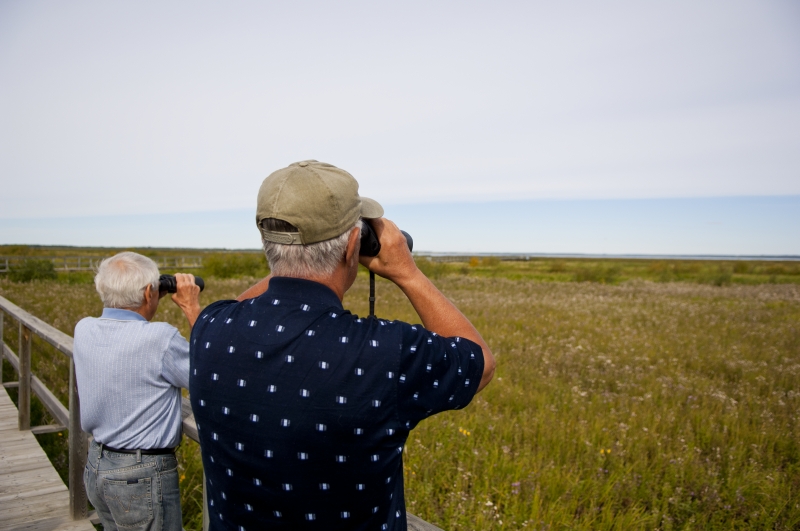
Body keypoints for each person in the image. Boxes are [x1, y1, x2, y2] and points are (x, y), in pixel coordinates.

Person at [190, 160, 495, 530]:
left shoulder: (209, 328)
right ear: (354, 245)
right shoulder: (385, 352)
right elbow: (477, 364)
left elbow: (244, 305)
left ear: (266, 243)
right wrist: (407, 272)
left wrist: (290, 258)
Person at [73, 251, 201, 531]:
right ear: (148, 293)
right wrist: (193, 309)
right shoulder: (159, 338)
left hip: (97, 463)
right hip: (141, 474)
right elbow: (210, 376)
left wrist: (151, 295)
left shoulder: (83, 329)